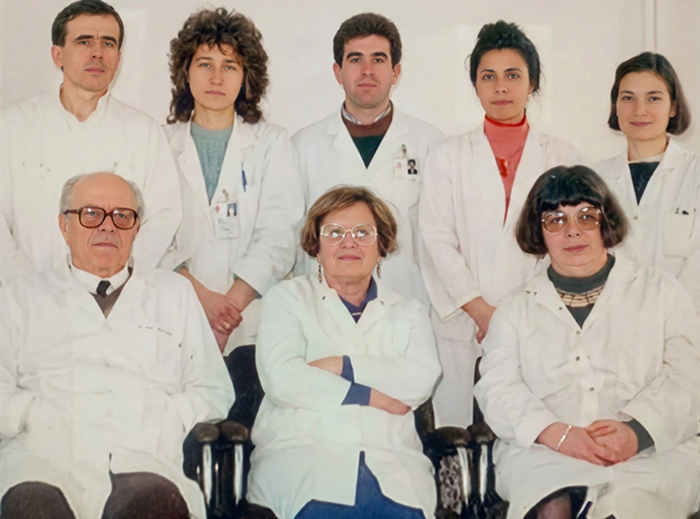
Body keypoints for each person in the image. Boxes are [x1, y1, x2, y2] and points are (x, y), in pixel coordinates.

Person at [0, 172, 234, 519]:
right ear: (64, 226)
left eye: (122, 216)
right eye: (91, 214)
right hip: (43, 459)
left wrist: (166, 418)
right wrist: (33, 415)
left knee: (154, 503)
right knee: (34, 506)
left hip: (144, 459)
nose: (108, 226)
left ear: (136, 228)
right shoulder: (20, 295)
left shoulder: (173, 293)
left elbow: (213, 388)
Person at [474, 166, 699, 519]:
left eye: (586, 216)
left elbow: (690, 378)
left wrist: (637, 433)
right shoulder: (515, 308)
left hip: (651, 451)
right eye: (555, 220)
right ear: (538, 231)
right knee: (553, 505)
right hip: (546, 451)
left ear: (606, 221)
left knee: (632, 506)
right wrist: (557, 434)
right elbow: (497, 389)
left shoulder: (663, 292)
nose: (573, 231)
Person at [419, 20, 581, 427]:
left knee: (530, 431)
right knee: (458, 435)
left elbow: (570, 243)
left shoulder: (561, 156)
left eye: (513, 75)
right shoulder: (446, 155)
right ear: (475, 85)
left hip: (537, 320)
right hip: (462, 322)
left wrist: (510, 318)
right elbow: (436, 239)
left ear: (532, 83)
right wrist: (481, 312)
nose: (501, 87)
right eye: (488, 76)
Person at [247, 187, 441, 519]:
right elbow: (284, 379)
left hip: (392, 462)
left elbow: (421, 378)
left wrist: (342, 365)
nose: (349, 243)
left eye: (363, 233)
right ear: (316, 246)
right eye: (334, 232)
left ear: (381, 246)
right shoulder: (287, 298)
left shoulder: (409, 311)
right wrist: (370, 395)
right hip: (305, 457)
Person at [0, 0, 181, 285]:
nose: (97, 53)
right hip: (25, 295)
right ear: (58, 55)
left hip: (116, 296)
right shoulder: (12, 125)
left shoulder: (142, 131)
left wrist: (114, 278)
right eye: (84, 42)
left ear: (118, 59)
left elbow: (164, 215)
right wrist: (30, 287)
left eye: (108, 43)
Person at [162, 7, 303, 356]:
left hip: (249, 323)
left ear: (245, 76)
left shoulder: (271, 142)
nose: (216, 78)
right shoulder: (159, 143)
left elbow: (279, 235)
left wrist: (227, 311)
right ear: (185, 72)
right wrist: (203, 301)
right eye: (204, 64)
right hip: (175, 314)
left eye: (229, 66)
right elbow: (151, 235)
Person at [293, 13, 443, 305]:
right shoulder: (302, 146)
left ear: (395, 72)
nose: (367, 71)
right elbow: (292, 239)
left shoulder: (430, 143)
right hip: (323, 306)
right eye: (355, 59)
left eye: (378, 59)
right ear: (338, 72)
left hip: (406, 304)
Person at [594, 52, 699, 313]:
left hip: (685, 323)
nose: (639, 110)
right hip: (609, 322)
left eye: (653, 98)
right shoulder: (594, 180)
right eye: (628, 98)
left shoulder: (695, 173)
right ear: (615, 106)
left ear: (673, 107)